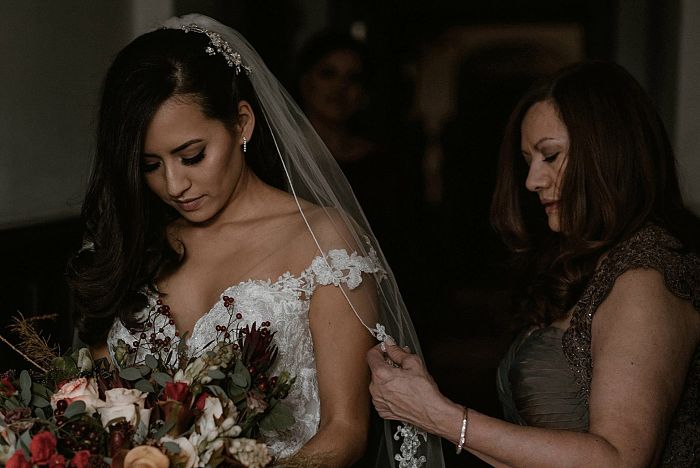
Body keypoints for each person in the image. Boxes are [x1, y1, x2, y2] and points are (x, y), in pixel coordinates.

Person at [66, 14, 444, 467]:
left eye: (192, 156)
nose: (175, 184)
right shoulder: (132, 243)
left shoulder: (322, 238)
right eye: (150, 165)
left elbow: (344, 431)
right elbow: (93, 405)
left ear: (241, 124)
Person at [368, 61, 700, 467]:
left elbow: (619, 460)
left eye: (550, 156)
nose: (532, 181)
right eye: (529, 161)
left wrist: (440, 415)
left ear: (611, 151)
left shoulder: (647, 274)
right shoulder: (599, 261)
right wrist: (426, 408)